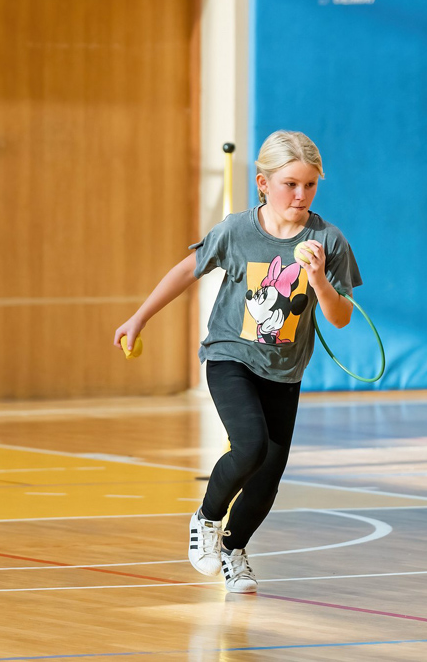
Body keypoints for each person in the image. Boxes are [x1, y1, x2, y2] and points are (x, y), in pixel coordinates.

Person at [114, 130, 362, 593]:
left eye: (310, 185)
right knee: (250, 446)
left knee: (267, 478)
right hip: (231, 357)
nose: (301, 195)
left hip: (284, 370)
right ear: (263, 183)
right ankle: (206, 518)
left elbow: (342, 318)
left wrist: (318, 279)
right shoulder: (236, 231)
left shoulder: (328, 240)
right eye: (290, 184)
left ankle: (233, 549)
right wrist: (139, 317)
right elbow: (187, 270)